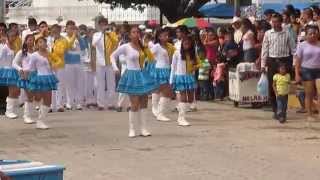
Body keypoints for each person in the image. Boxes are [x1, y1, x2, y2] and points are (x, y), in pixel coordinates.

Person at [110, 25, 159, 138]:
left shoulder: (143, 47)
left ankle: (143, 128)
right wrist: (115, 68)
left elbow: (152, 60)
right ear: (129, 34)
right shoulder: (126, 47)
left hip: (142, 75)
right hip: (131, 75)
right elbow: (112, 56)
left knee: (144, 102)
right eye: (133, 32)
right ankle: (132, 129)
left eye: (137, 32)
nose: (136, 34)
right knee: (134, 103)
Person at [261, 13, 296, 119]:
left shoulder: (287, 33)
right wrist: (263, 64)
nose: (275, 24)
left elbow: (293, 49)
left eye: (277, 21)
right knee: (273, 86)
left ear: (281, 22)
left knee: (284, 87)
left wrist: (294, 64)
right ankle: (276, 110)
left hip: (284, 61)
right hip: (272, 61)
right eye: (273, 21)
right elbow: (264, 49)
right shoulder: (268, 33)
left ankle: (283, 111)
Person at [28, 37, 59, 129]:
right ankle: (38, 120)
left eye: (44, 42)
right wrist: (32, 79)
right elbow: (31, 68)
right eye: (40, 42)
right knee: (41, 99)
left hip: (49, 77)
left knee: (48, 100)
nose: (43, 43)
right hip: (40, 78)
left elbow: (52, 65)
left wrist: (53, 65)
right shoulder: (34, 55)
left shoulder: (49, 54)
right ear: (37, 44)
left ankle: (41, 121)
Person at [170, 35, 200, 126]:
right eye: (185, 42)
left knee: (190, 99)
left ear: (191, 44)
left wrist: (194, 67)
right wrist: (171, 80)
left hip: (189, 77)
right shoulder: (177, 53)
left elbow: (199, 63)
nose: (186, 44)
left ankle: (182, 115)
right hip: (179, 77)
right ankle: (181, 118)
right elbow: (173, 66)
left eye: (189, 42)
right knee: (183, 97)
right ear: (182, 43)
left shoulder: (193, 53)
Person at [92, 17, 119, 111]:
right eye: (101, 24)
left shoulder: (112, 34)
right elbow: (94, 44)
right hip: (100, 62)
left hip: (110, 62)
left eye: (105, 24)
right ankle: (101, 104)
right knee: (100, 84)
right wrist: (102, 34)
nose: (103, 26)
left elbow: (116, 42)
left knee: (111, 83)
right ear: (99, 25)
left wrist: (109, 34)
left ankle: (111, 103)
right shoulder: (96, 35)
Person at [295, 25, 320, 121]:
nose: (313, 35)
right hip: (306, 70)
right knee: (309, 93)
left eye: (315, 33)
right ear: (306, 35)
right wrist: (297, 74)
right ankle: (309, 114)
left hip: (319, 71)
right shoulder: (302, 45)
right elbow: (297, 61)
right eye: (310, 33)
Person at [49, 24, 76, 112]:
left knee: (60, 85)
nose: (54, 32)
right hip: (50, 66)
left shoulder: (63, 40)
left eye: (56, 30)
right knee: (51, 86)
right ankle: (51, 105)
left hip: (60, 65)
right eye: (53, 30)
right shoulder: (49, 40)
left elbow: (61, 51)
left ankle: (59, 104)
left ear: (59, 31)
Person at [150, 28, 175, 121]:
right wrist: (152, 65)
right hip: (160, 70)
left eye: (167, 35)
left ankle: (156, 109)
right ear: (159, 37)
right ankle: (159, 113)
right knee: (166, 92)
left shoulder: (169, 46)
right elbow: (148, 55)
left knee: (159, 90)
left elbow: (176, 53)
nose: (167, 37)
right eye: (165, 35)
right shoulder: (156, 46)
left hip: (167, 69)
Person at [12, 34, 36, 124]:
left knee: (32, 96)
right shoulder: (21, 52)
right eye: (29, 40)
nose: (31, 41)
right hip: (26, 75)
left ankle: (29, 115)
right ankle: (27, 116)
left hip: (35, 76)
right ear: (25, 41)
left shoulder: (36, 52)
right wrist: (20, 69)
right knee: (29, 96)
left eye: (32, 40)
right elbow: (14, 63)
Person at [0, 30, 20, 119]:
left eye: (14, 36)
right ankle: (9, 111)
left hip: (13, 70)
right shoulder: (4, 47)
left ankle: (11, 110)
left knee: (15, 90)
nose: (13, 38)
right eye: (11, 36)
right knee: (12, 90)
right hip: (6, 71)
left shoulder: (14, 46)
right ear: (7, 37)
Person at [63, 20, 83, 110]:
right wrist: (74, 36)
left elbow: (84, 47)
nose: (71, 30)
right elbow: (67, 47)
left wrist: (78, 36)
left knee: (78, 84)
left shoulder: (78, 37)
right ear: (66, 29)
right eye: (69, 28)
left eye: (73, 28)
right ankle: (69, 102)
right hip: (68, 63)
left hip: (78, 63)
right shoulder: (64, 38)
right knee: (69, 84)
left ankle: (79, 103)